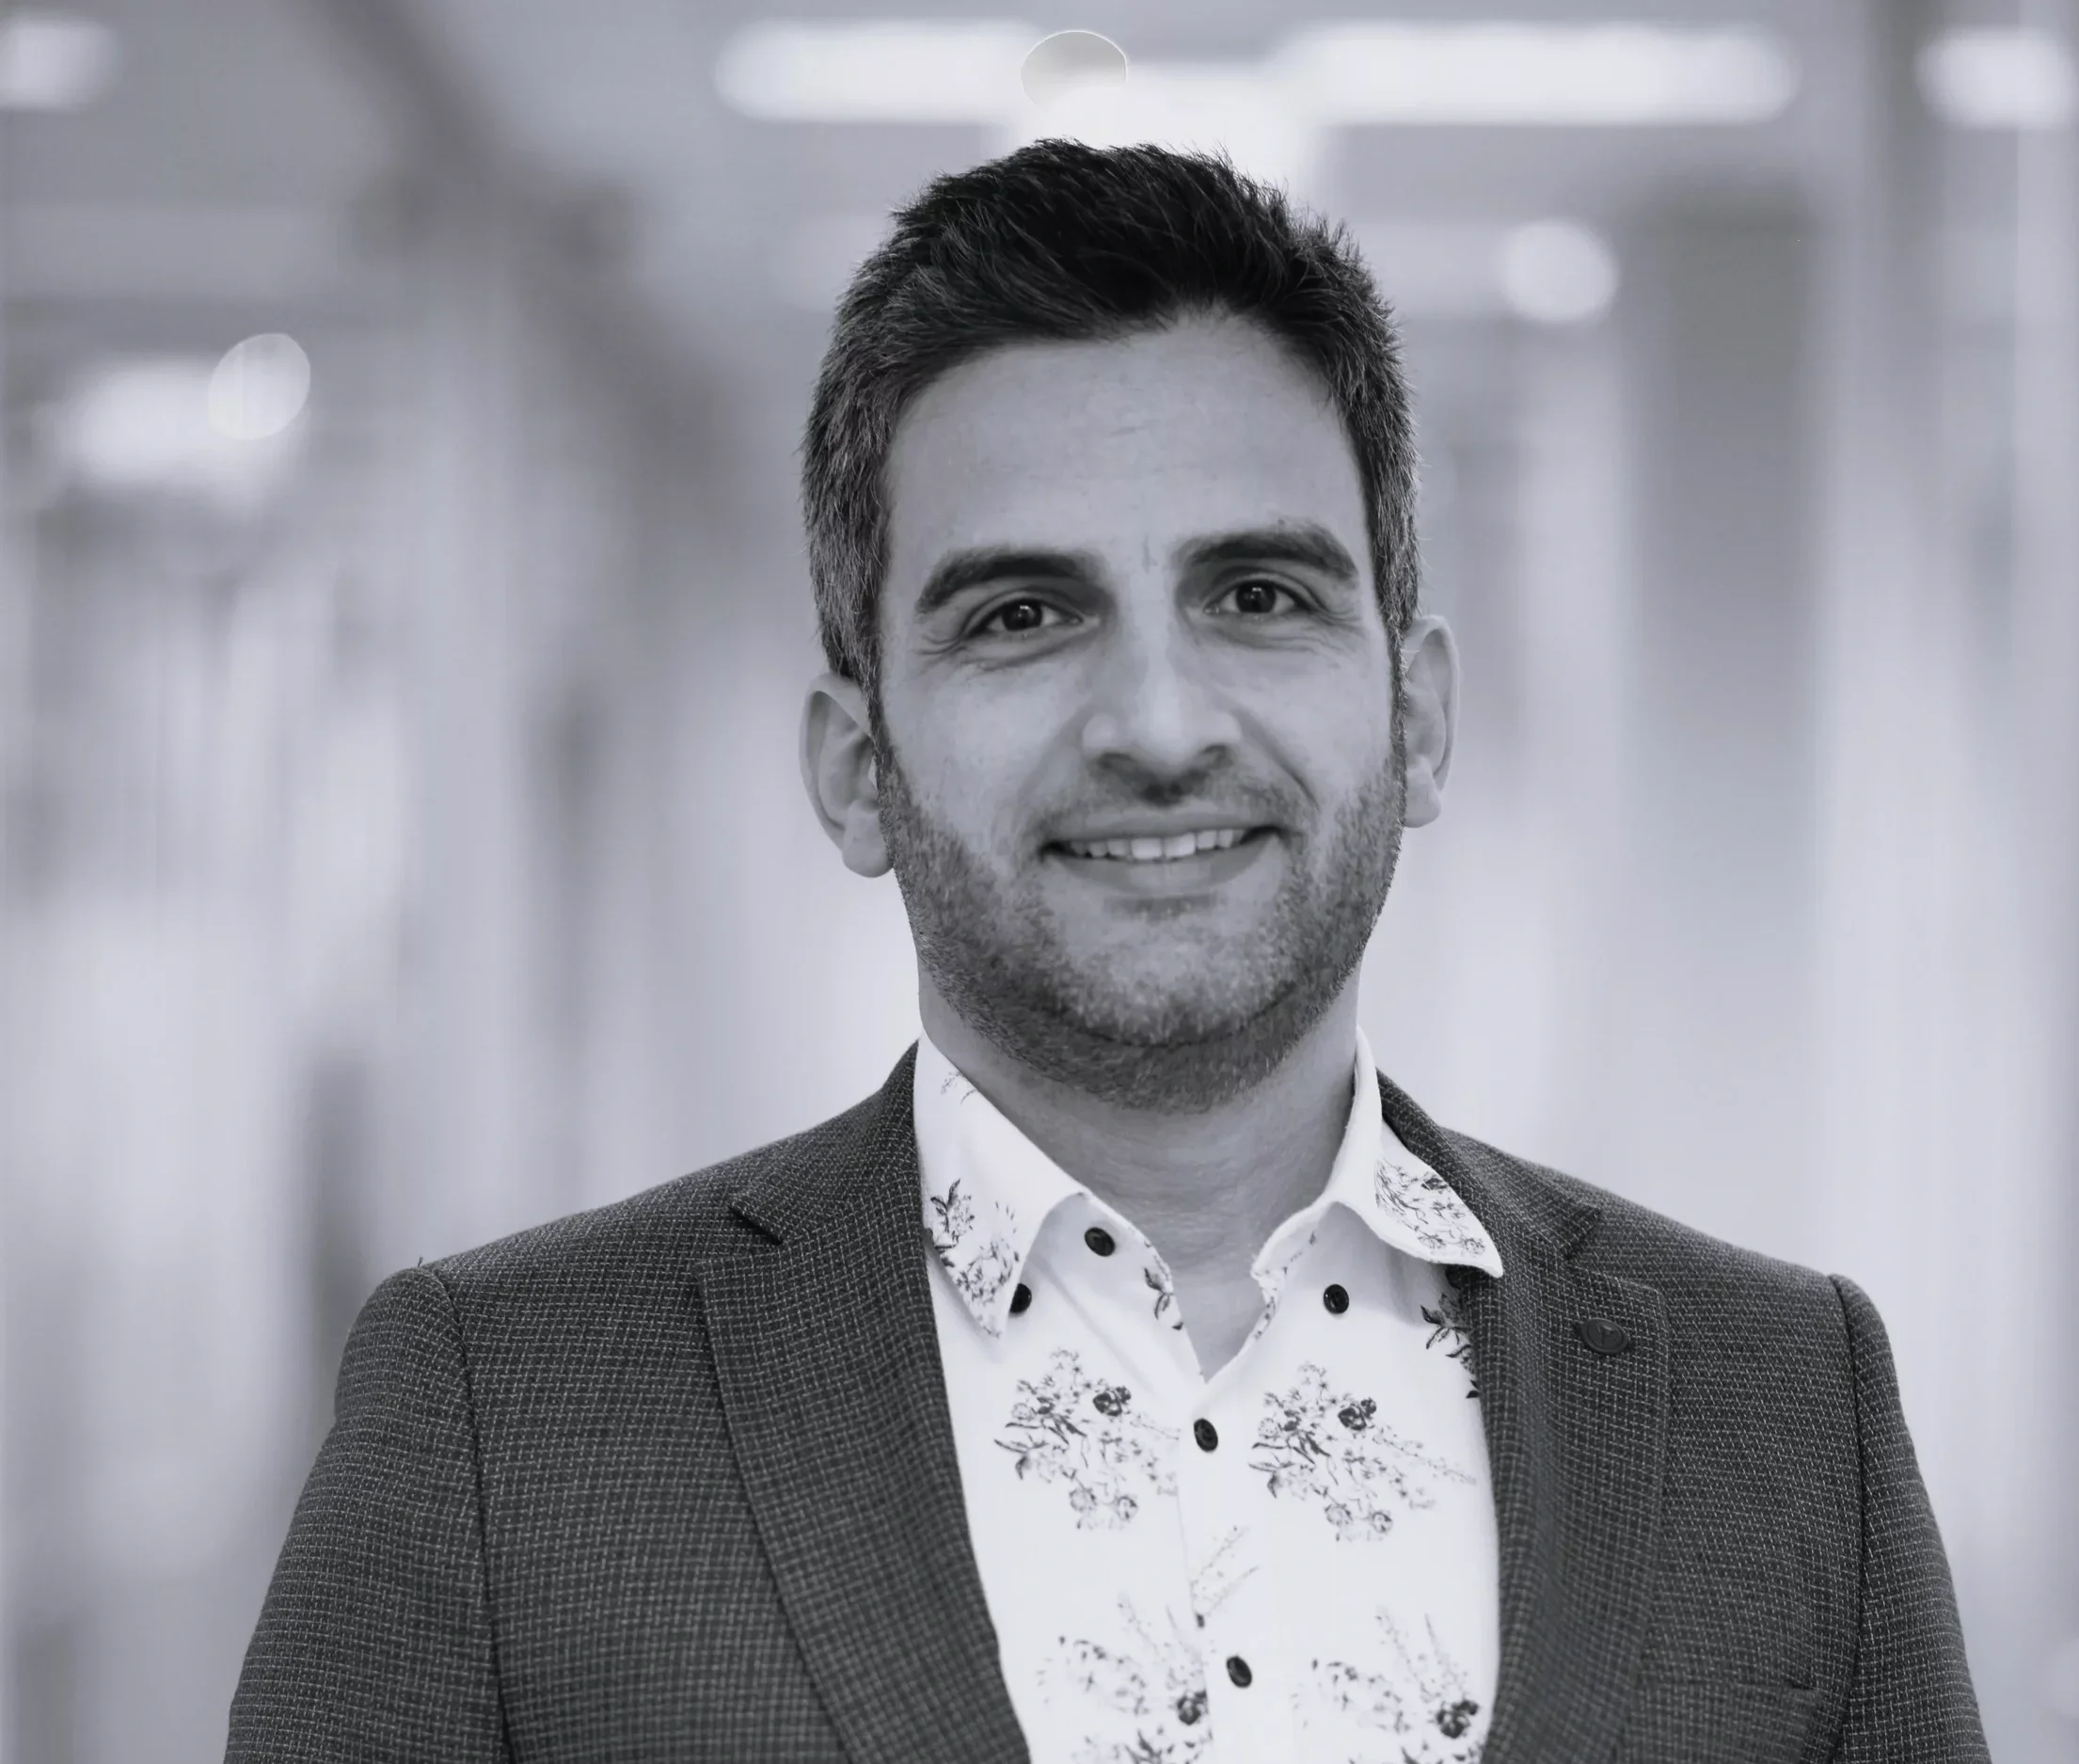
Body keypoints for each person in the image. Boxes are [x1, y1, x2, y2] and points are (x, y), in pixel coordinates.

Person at [229, 142, 1989, 1763]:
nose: (1157, 720)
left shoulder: (1780, 1407)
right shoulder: (505, 1415)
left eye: (1261, 594)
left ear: (1420, 716)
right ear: (859, 768)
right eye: (1021, 615)